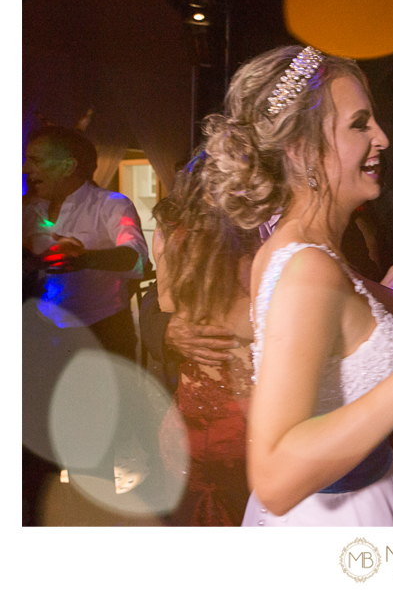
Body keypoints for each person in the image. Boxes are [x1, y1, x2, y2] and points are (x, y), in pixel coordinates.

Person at [195, 45, 393, 526]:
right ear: (303, 149)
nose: (382, 138)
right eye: (360, 124)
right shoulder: (306, 268)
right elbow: (276, 478)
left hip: (371, 490)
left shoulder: (313, 251)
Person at [150, 153, 258, 526]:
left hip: (202, 414)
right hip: (229, 425)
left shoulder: (177, 239)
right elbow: (167, 303)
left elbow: (166, 300)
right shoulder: (234, 247)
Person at [22, 125, 150, 360]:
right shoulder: (29, 209)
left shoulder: (111, 204)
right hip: (42, 333)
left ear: (68, 166)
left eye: (36, 160)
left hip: (103, 335)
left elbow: (138, 256)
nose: (25, 169)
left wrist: (86, 259)